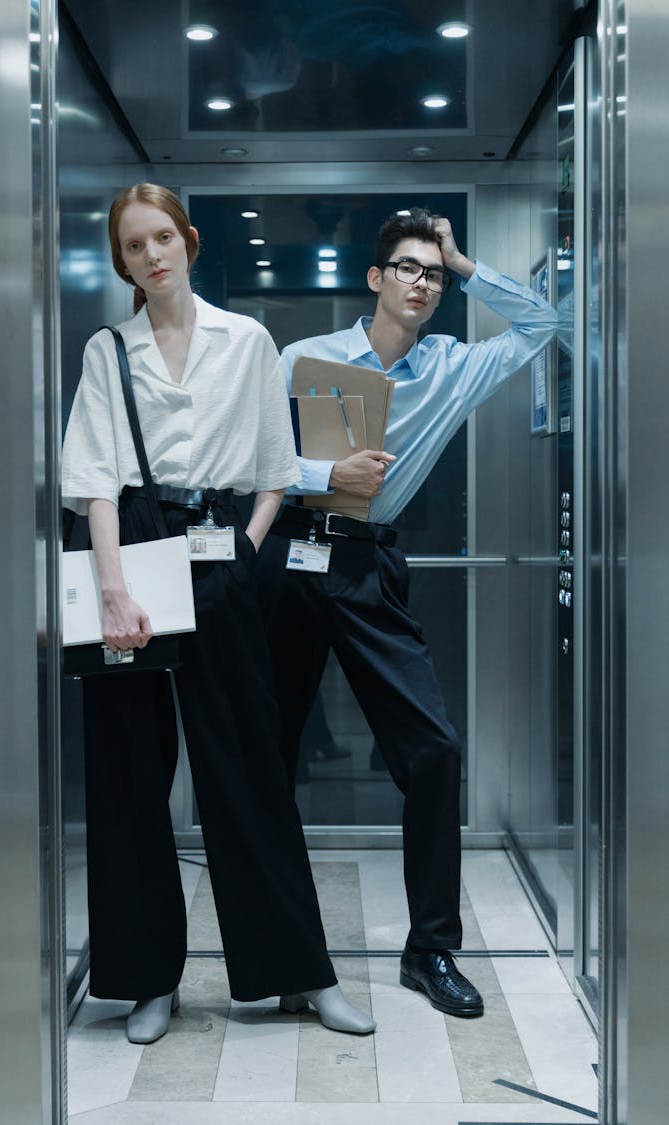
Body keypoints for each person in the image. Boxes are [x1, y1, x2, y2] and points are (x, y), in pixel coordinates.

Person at [61, 183, 375, 1044]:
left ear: (190, 242)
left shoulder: (247, 341)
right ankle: (146, 978)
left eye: (163, 237)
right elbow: (92, 480)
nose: (152, 254)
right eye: (134, 245)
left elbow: (277, 467)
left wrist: (246, 549)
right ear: (123, 261)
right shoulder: (108, 352)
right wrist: (115, 588)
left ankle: (300, 975)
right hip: (131, 549)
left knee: (248, 770)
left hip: (221, 546)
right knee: (128, 776)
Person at [256, 207, 559, 1020]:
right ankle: (288, 955)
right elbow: (247, 453)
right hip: (289, 555)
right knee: (269, 757)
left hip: (367, 563)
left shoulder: (453, 366)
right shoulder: (305, 356)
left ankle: (430, 950)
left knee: (432, 751)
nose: (422, 282)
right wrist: (329, 463)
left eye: (432, 271)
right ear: (376, 278)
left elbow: (546, 321)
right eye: (410, 267)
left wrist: (467, 262)